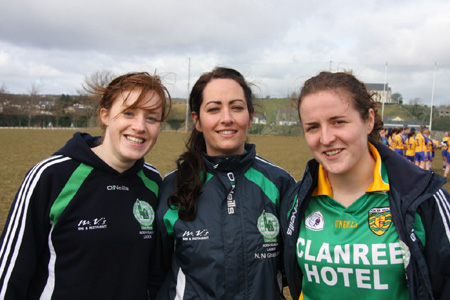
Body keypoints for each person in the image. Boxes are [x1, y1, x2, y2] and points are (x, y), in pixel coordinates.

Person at [0, 72, 172, 299]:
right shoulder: (50, 176)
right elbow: (9, 276)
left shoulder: (153, 183)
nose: (139, 126)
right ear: (105, 115)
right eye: (128, 113)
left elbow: (156, 273)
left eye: (151, 118)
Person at [280, 71, 450, 300]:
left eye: (338, 122)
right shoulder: (296, 198)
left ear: (369, 120)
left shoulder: (424, 196)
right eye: (313, 127)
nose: (326, 138)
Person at [156, 67, 295, 299]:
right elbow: (157, 268)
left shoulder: (280, 183)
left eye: (237, 107)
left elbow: (291, 268)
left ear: (250, 117)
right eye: (214, 109)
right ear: (197, 120)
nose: (227, 118)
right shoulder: (174, 186)